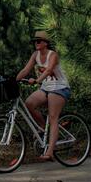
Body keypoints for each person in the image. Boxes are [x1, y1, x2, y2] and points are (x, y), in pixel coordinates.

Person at [16, 29, 71, 161]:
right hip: (46, 88)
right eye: (35, 41)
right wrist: (14, 80)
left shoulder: (53, 55)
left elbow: (49, 70)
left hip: (59, 88)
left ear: (46, 43)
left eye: (38, 41)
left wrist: (37, 81)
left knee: (53, 118)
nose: (36, 43)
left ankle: (50, 151)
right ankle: (42, 127)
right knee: (29, 103)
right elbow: (25, 70)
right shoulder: (35, 55)